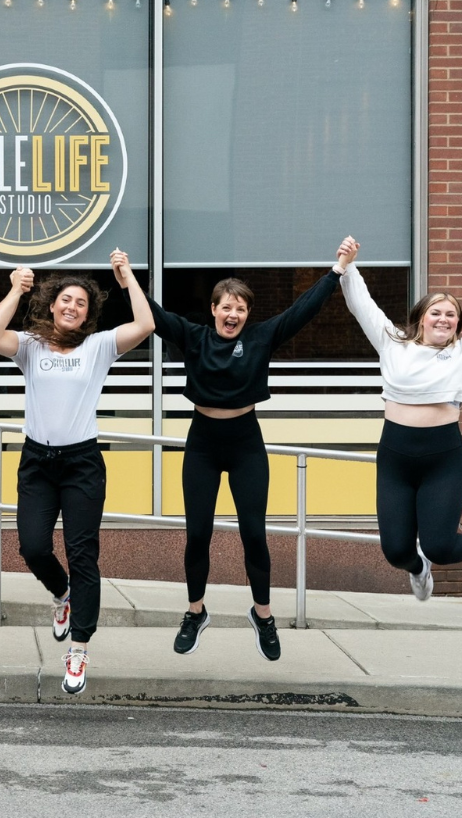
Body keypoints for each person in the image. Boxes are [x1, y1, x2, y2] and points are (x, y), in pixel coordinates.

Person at [146, 247, 347, 662]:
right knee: (197, 532)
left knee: (253, 533)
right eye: (225, 307)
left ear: (246, 313)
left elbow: (301, 310)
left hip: (245, 443)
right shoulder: (194, 337)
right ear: (214, 310)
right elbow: (153, 315)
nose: (232, 314)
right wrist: (125, 277)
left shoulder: (260, 337)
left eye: (239, 308)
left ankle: (263, 616)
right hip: (202, 443)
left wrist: (336, 270)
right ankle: (195, 612)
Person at [0, 250, 155, 695]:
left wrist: (126, 277)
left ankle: (78, 650)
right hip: (37, 463)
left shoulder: (99, 348)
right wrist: (15, 290)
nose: (72, 306)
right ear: (52, 305)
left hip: (82, 463)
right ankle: (63, 596)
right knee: (33, 546)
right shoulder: (30, 346)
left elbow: (146, 325)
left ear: (87, 312)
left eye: (81, 302)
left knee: (84, 556)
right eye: (65, 300)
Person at [339, 236, 462, 598]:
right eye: (436, 311)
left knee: (440, 545)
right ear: (420, 318)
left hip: (442, 458)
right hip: (395, 457)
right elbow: (362, 306)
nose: (444, 318)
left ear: (458, 323)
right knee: (397, 551)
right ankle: (419, 570)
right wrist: (348, 265)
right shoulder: (393, 345)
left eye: (451, 314)